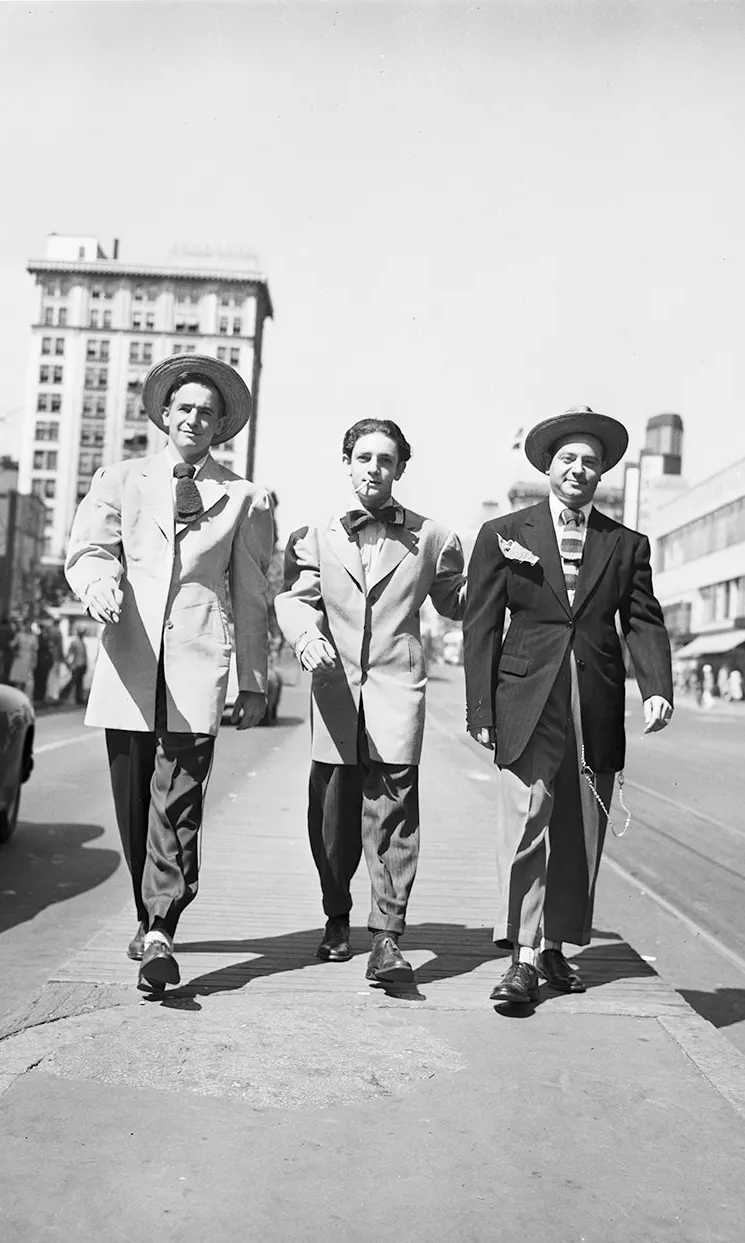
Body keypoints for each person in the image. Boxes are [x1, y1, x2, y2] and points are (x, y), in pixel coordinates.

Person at [65, 353, 273, 992]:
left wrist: (254, 680)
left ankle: (160, 928)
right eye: (184, 408)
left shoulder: (244, 498)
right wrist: (98, 586)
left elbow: (253, 593)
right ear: (164, 414)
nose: (194, 419)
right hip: (129, 661)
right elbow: (89, 550)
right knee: (134, 804)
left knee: (178, 798)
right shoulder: (120, 478)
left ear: (220, 427)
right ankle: (147, 911)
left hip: (196, 662)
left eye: (207, 413)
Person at [463, 406, 673, 1004]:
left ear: (603, 473)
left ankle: (555, 947)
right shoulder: (505, 533)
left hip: (596, 699)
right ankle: (522, 956)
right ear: (548, 468)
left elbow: (642, 620)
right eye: (568, 460)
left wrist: (655, 686)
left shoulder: (625, 544)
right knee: (528, 822)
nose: (579, 470)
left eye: (591, 462)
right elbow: (480, 626)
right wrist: (481, 709)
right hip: (526, 699)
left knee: (581, 827)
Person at [275, 418, 466, 984]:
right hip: (334, 691)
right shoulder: (316, 535)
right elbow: (295, 599)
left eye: (386, 460)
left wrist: (501, 574)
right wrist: (307, 638)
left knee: (394, 814)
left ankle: (387, 935)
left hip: (397, 690)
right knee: (332, 819)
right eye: (364, 458)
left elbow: (456, 600)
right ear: (346, 463)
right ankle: (337, 917)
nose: (374, 469)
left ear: (401, 469)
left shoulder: (432, 538)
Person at [63, 629, 88, 704]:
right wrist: (68, 664)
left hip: (82, 665)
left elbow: (85, 655)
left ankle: (79, 698)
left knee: (79, 683)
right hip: (76, 665)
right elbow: (69, 654)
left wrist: (86, 665)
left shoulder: (83, 643)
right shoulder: (74, 642)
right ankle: (64, 695)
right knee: (72, 682)